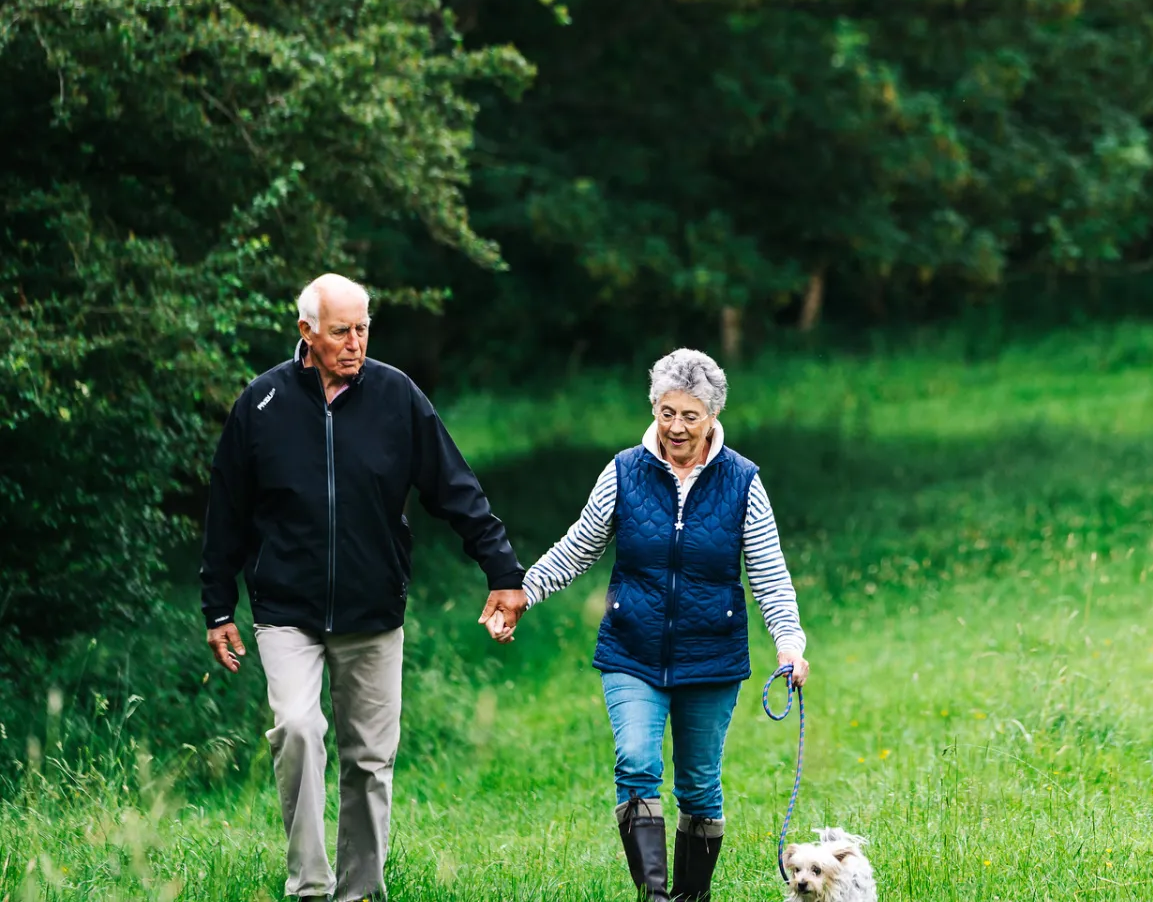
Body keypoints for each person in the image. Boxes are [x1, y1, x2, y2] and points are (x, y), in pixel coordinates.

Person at [198, 273, 528, 902]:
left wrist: (503, 570)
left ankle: (360, 892)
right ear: (307, 333)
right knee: (297, 728)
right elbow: (227, 510)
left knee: (369, 761)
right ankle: (310, 887)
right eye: (341, 331)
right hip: (285, 611)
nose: (355, 343)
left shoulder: (395, 396)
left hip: (373, 609)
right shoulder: (261, 404)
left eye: (363, 329)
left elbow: (452, 486)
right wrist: (218, 604)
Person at [512, 347, 810, 902]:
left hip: (712, 657)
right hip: (632, 650)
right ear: (654, 408)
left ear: (713, 417)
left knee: (699, 785)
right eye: (666, 412)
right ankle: (654, 897)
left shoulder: (743, 481)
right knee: (636, 761)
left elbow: (770, 575)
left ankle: (691, 898)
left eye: (689, 415)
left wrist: (789, 643)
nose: (676, 426)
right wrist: (524, 592)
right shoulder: (624, 471)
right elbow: (578, 546)